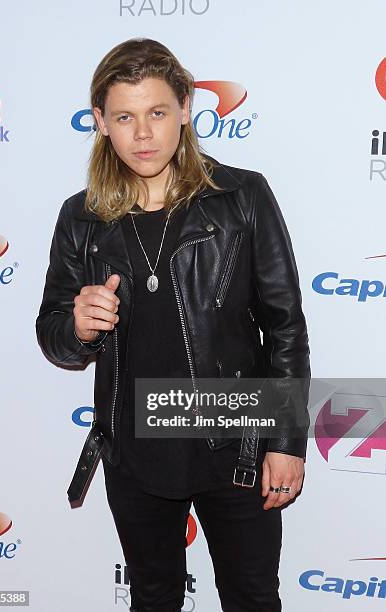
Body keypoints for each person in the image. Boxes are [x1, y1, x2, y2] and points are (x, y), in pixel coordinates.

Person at [36, 37, 311, 612]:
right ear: (100, 123)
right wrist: (79, 328)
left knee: (252, 597)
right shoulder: (81, 218)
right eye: (124, 117)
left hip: (235, 441)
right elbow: (54, 334)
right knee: (154, 597)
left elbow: (284, 326)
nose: (143, 134)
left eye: (157, 112)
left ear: (186, 108)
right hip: (135, 452)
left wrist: (286, 443)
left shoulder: (242, 197)